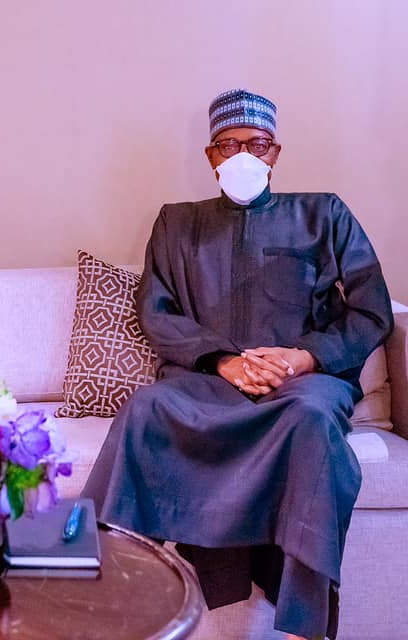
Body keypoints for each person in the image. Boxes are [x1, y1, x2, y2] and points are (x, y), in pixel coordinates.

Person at [83, 89, 393, 640]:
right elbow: (156, 311)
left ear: (276, 153)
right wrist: (224, 361)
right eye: (230, 144)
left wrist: (303, 357)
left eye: (258, 144)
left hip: (304, 385)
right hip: (208, 380)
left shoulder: (325, 213)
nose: (244, 155)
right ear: (211, 156)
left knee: (310, 424)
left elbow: (371, 311)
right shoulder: (177, 224)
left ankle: (303, 628)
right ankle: (113, 600)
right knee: (146, 408)